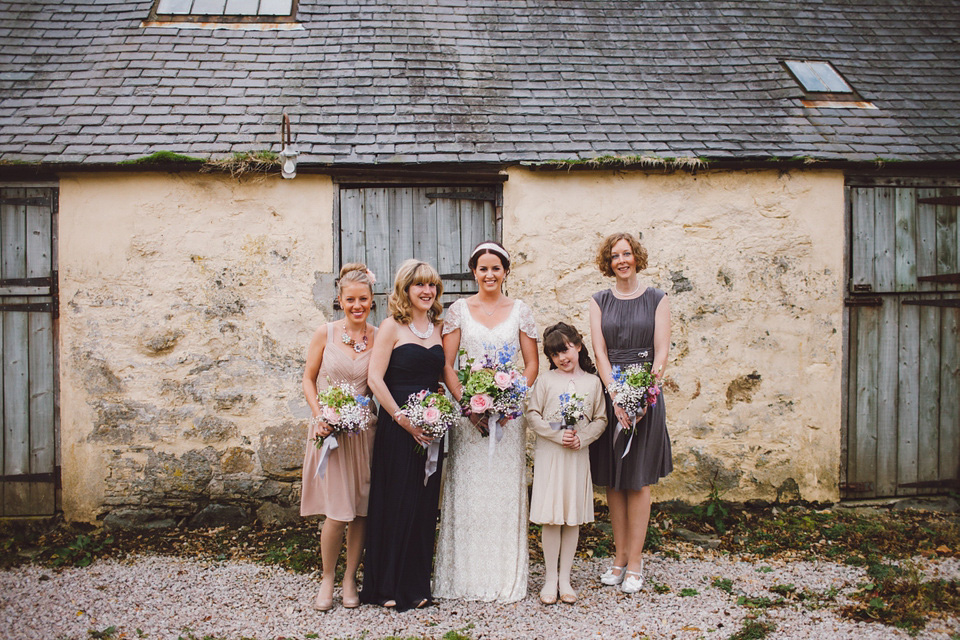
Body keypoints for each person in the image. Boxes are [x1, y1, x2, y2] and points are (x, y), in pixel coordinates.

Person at [434, 241, 539, 603]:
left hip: (508, 421)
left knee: (504, 494)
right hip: (469, 419)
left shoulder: (521, 311)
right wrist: (468, 404)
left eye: (496, 268)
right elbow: (447, 365)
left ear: (506, 272)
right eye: (483, 268)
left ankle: (504, 574)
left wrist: (510, 403)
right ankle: (463, 578)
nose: (490, 274)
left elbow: (531, 364)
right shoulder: (458, 311)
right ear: (474, 272)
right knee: (469, 494)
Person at [359, 259, 446, 611]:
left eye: (432, 286)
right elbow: (375, 379)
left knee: (424, 507)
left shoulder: (439, 328)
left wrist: (440, 409)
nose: (427, 292)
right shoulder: (391, 326)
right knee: (395, 504)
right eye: (420, 285)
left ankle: (416, 586)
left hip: (431, 428)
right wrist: (401, 418)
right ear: (405, 289)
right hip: (398, 430)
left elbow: (441, 376)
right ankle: (386, 587)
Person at [588, 232, 672, 594]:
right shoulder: (598, 301)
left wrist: (641, 397)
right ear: (608, 263)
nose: (621, 260)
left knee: (636, 481)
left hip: (644, 397)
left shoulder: (657, 298)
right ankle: (619, 559)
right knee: (614, 481)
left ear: (636, 257)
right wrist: (616, 396)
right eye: (614, 255)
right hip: (612, 396)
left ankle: (636, 563)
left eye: (627, 253)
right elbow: (599, 352)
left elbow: (662, 352)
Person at [300, 263, 377, 611]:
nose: (357, 305)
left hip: (364, 434)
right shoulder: (325, 333)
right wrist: (321, 416)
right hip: (330, 432)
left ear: (372, 300)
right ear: (340, 300)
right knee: (336, 512)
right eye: (350, 299)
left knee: (361, 510)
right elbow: (308, 379)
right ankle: (327, 578)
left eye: (363, 299)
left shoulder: (380, 336)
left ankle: (350, 578)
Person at [526, 323, 606, 605]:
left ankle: (565, 578)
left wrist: (582, 439)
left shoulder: (593, 383)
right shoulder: (546, 381)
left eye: (566, 349)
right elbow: (532, 414)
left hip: (576, 455)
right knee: (551, 515)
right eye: (555, 354)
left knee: (571, 515)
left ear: (578, 346)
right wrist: (556, 434)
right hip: (551, 453)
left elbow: (601, 419)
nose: (562, 357)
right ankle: (549, 577)